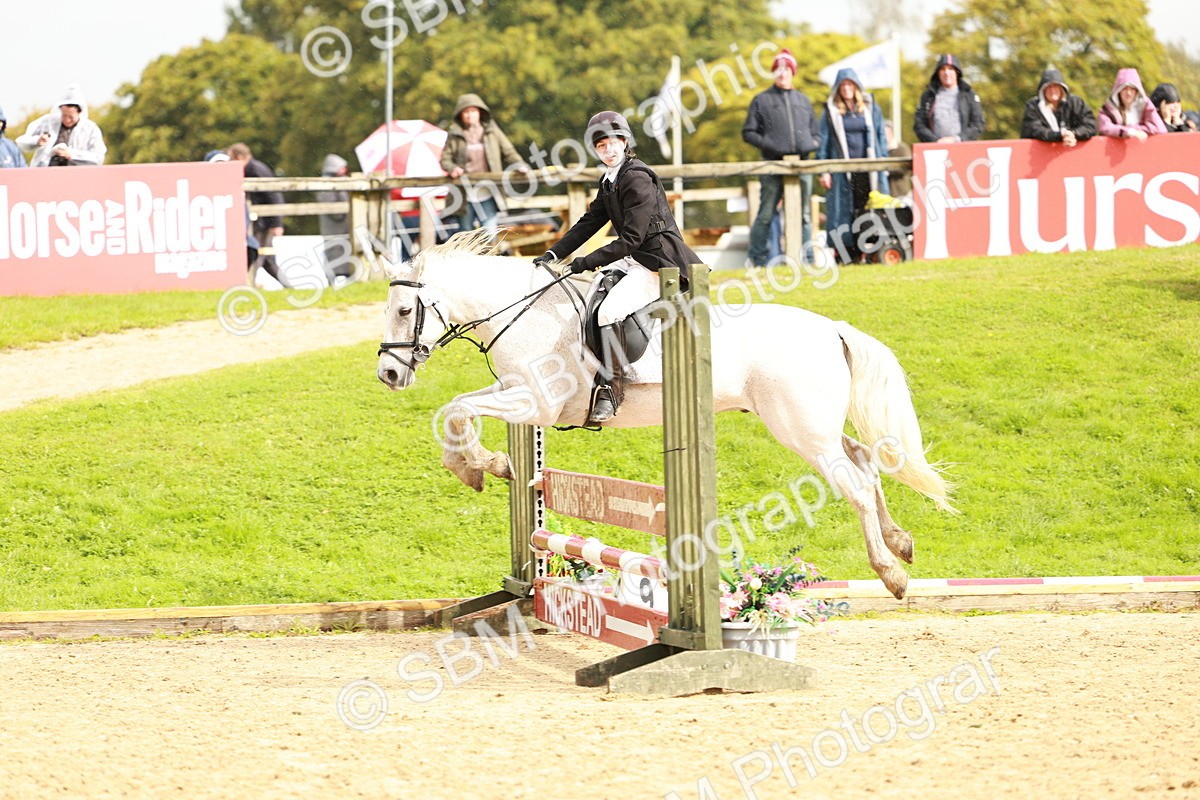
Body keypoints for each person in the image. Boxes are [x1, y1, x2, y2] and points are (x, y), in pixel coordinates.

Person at [532, 111, 700, 424]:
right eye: (601, 145)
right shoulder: (610, 180)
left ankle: (613, 388)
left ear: (624, 142)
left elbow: (631, 239)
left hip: (659, 264)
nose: (608, 150)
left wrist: (584, 262)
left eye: (613, 143)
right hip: (636, 258)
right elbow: (590, 221)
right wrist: (554, 253)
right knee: (590, 296)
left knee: (609, 311)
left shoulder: (636, 178)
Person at [741, 48, 819, 266]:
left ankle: (807, 260)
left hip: (802, 165)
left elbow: (817, 133)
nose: (782, 73)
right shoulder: (761, 100)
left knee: (804, 215)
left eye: (786, 69)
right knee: (766, 214)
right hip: (772, 165)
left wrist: (812, 144)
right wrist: (771, 146)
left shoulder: (803, 100)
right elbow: (748, 132)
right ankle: (756, 260)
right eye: (778, 69)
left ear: (793, 72)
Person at [817, 69, 890, 264]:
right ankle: (846, 255)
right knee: (843, 212)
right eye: (843, 85)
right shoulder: (830, 111)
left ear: (856, 86)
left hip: (868, 171)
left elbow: (880, 135)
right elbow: (823, 141)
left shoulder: (870, 107)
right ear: (838, 88)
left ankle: (871, 250)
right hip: (842, 173)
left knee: (869, 208)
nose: (846, 88)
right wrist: (824, 171)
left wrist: (883, 161)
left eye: (850, 84)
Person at [439, 93, 528, 238]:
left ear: (480, 112)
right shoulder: (454, 135)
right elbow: (445, 159)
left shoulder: (492, 131)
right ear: (460, 115)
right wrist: (452, 168)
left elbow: (509, 152)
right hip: (464, 193)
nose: (470, 115)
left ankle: (489, 253)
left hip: (489, 190)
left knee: (490, 232)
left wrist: (519, 165)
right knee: (465, 234)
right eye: (466, 112)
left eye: (473, 111)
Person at [228, 142, 289, 287]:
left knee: (258, 254)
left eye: (232, 158)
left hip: (265, 222)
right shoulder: (253, 169)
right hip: (262, 221)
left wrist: (276, 224)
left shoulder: (256, 170)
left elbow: (274, 196)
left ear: (239, 157)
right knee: (267, 260)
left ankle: (249, 285)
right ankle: (289, 287)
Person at [15, 84, 106, 167]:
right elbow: (22, 142)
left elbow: (98, 157)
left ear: (79, 112)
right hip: (46, 173)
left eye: (71, 117)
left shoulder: (90, 129)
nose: (67, 120)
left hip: (76, 175)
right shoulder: (47, 122)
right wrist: (37, 140)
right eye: (64, 115)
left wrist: (72, 155)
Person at [205, 150, 260, 271]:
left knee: (251, 246)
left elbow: (243, 223)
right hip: (213, 245)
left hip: (236, 243)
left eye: (225, 165)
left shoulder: (236, 193)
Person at [914, 54, 985, 143]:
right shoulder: (928, 96)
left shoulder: (969, 95)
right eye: (943, 69)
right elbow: (919, 125)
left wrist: (957, 139)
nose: (946, 73)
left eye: (950, 69)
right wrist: (935, 141)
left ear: (957, 72)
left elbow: (978, 124)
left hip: (963, 147)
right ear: (938, 73)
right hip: (936, 148)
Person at [1020, 68, 1097, 146]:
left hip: (1075, 150)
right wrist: (1059, 135)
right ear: (1043, 90)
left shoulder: (1076, 103)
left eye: (1056, 86)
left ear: (1062, 88)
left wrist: (1073, 134)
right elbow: (1034, 130)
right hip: (1042, 151)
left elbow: (1090, 125)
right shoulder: (1033, 107)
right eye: (1049, 87)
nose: (1052, 90)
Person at [316, 153, 357, 287]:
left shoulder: (341, 181)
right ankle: (333, 283)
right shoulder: (325, 184)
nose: (344, 170)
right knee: (335, 256)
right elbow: (336, 212)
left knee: (345, 256)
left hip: (344, 229)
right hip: (334, 229)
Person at [1097, 69, 1167, 140]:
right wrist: (1128, 132)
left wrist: (1135, 130)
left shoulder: (1145, 105)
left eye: (1132, 89)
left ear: (1137, 91)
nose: (1128, 93)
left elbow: (1160, 128)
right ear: (1118, 91)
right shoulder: (1108, 109)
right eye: (1124, 89)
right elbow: (1105, 127)